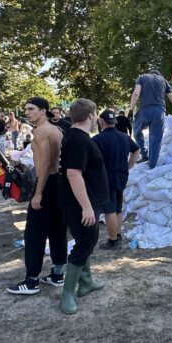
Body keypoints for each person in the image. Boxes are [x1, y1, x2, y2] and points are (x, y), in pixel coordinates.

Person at [6, 97, 68, 295]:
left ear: (43, 111)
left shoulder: (41, 132)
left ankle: (31, 281)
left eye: (31, 109)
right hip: (59, 184)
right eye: (26, 109)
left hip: (47, 184)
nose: (28, 112)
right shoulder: (56, 129)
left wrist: (38, 193)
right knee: (58, 229)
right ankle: (58, 274)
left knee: (34, 234)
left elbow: (44, 166)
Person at [57, 98, 109, 315]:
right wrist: (86, 207)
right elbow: (73, 174)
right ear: (90, 115)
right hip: (81, 204)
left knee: (83, 241)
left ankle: (86, 282)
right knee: (86, 242)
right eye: (95, 114)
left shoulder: (72, 135)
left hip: (80, 201)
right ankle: (67, 293)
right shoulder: (79, 140)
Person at [93, 109, 141, 250]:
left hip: (106, 178)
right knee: (118, 209)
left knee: (109, 211)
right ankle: (117, 235)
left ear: (101, 122)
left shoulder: (97, 139)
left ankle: (113, 240)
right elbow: (136, 150)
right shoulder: (124, 137)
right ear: (114, 122)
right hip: (121, 176)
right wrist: (129, 165)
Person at [128, 68, 172, 169]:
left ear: (150, 74)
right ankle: (152, 166)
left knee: (137, 131)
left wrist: (130, 110)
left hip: (145, 110)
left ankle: (144, 154)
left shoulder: (142, 78)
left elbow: (136, 94)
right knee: (155, 139)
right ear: (159, 75)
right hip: (159, 112)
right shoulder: (163, 81)